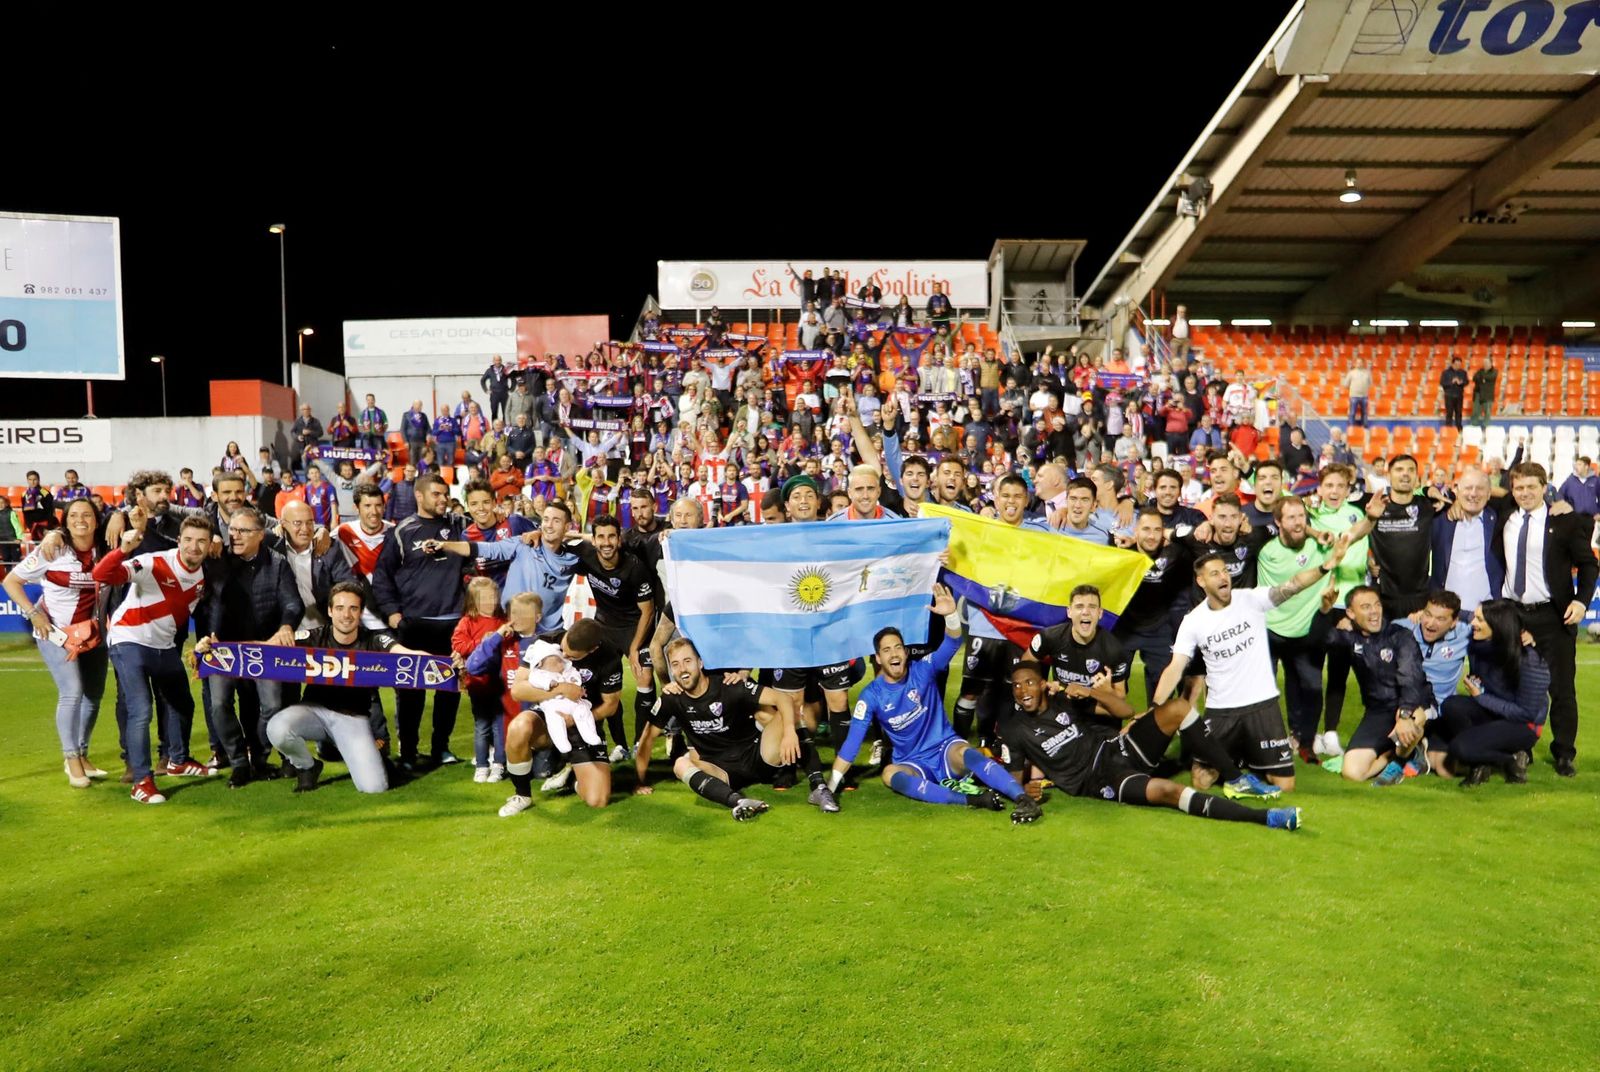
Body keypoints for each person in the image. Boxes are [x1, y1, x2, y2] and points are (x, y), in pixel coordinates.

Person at [1151, 536, 1352, 798]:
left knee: (1285, 786)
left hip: (1263, 706)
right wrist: (1155, 706)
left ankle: (1244, 759)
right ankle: (1239, 759)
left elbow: (1292, 585)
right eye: (1215, 573)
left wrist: (1326, 566)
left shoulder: (1251, 599)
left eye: (1224, 570)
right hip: (1222, 711)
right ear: (1201, 582)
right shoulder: (1193, 621)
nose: (1224, 576)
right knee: (1200, 780)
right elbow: (1176, 666)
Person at [826, 584, 1043, 824]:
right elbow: (852, 743)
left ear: (906, 653)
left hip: (944, 749)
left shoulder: (924, 669)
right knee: (889, 775)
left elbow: (951, 644)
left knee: (966, 753)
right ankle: (971, 800)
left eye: (898, 647)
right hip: (911, 761)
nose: (894, 654)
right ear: (878, 659)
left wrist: (951, 615)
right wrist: (831, 785)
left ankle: (1023, 799)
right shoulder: (871, 696)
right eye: (887, 650)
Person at [999, 661, 1301, 830]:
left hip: (1116, 749)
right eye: (1015, 685)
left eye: (1028, 682)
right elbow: (1012, 780)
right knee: (1167, 791)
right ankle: (1266, 818)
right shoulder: (1015, 730)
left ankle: (1235, 778)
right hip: (1100, 781)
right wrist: (1024, 791)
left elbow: (1125, 712)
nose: (1022, 690)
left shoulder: (1063, 699)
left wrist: (1090, 692)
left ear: (1042, 684)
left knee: (1178, 708)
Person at [640, 636, 839, 818]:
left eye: (687, 661)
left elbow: (782, 698)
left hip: (758, 758)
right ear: (672, 671)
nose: (682, 669)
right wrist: (639, 782)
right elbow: (647, 737)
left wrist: (788, 733)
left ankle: (819, 787)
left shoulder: (729, 685)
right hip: (721, 772)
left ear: (700, 663)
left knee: (789, 714)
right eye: (675, 664)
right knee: (681, 764)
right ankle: (738, 802)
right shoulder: (671, 698)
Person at [263, 581, 432, 794]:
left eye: (353, 608)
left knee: (374, 787)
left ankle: (336, 748)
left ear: (361, 612)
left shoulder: (374, 639)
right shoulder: (315, 636)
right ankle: (307, 767)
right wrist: (215, 648)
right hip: (313, 712)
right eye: (340, 608)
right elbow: (262, 650)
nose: (346, 615)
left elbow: (406, 654)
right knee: (277, 728)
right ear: (330, 611)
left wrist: (446, 665)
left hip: (352, 719)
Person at [94, 513, 217, 804]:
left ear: (210, 545)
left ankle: (178, 760)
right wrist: (123, 550)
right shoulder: (153, 562)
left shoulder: (203, 576)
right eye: (188, 540)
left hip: (163, 647)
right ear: (179, 541)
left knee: (183, 703)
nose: (194, 547)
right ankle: (141, 781)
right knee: (141, 709)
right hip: (130, 641)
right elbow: (102, 575)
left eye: (201, 541)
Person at [1491, 462, 1597, 777]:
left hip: (1554, 615)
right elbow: (1477, 492)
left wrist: (1581, 601)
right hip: (1514, 614)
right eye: (1519, 488)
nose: (1524, 493)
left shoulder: (1564, 521)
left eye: (1531, 487)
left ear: (1544, 487)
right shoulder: (1504, 516)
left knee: (1562, 688)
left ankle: (1564, 752)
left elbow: (1589, 565)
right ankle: (1520, 747)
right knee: (1514, 686)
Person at [2, 499, 110, 788]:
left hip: (94, 634)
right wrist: (33, 613)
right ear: (66, 521)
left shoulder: (105, 549)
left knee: (94, 696)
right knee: (72, 692)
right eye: (74, 515)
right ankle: (71, 758)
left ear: (97, 520)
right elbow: (11, 581)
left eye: (87, 514)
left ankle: (83, 754)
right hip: (56, 633)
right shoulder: (53, 548)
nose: (80, 520)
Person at [196, 506, 302, 788]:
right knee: (219, 705)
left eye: (242, 531)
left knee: (272, 705)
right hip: (222, 650)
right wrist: (207, 635)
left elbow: (292, 602)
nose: (235, 535)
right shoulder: (217, 560)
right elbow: (204, 603)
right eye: (232, 529)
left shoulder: (277, 562)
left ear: (260, 535)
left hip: (264, 647)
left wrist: (286, 626)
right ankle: (238, 762)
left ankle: (260, 758)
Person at [371, 473, 469, 769]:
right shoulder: (402, 531)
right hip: (415, 623)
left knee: (448, 690)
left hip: (451, 622)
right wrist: (392, 613)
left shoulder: (457, 525)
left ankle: (441, 748)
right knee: (411, 692)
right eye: (437, 494)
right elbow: (382, 577)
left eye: (446, 494)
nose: (443, 500)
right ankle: (409, 753)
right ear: (420, 496)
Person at [499, 618, 623, 813]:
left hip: (584, 720)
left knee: (597, 799)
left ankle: (572, 777)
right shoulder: (545, 641)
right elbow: (518, 690)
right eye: (563, 649)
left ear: (592, 650)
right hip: (547, 714)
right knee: (519, 727)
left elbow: (610, 706)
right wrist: (562, 689)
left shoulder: (609, 656)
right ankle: (522, 795)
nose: (563, 655)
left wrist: (574, 719)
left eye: (571, 656)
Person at [1423, 599, 1550, 786]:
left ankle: (1508, 760)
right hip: (1495, 712)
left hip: (1524, 725)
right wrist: (1419, 613)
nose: (1473, 623)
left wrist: (1481, 697)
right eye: (1476, 618)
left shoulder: (1529, 661)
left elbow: (1526, 713)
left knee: (1460, 748)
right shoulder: (1482, 642)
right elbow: (1459, 613)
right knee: (1452, 706)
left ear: (1498, 625)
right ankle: (1481, 762)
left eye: (1480, 620)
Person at [1323, 586, 1435, 785]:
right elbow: (1316, 639)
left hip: (1412, 704)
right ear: (1350, 613)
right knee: (1352, 773)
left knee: (1412, 724)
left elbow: (1411, 679)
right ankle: (1396, 755)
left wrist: (1404, 715)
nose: (1374, 611)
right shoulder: (1348, 638)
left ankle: (1401, 760)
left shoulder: (1400, 635)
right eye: (1365, 607)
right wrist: (1324, 613)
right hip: (1377, 712)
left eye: (1376, 605)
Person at [1255, 496, 1332, 764]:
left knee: (1311, 688)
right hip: (1271, 629)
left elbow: (1347, 539)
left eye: (1302, 516)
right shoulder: (1267, 553)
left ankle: (1305, 742)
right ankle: (1270, 740)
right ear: (1278, 522)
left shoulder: (1319, 546)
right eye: (1291, 517)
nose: (1299, 522)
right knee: (1264, 688)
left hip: (1305, 629)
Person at [1029, 585, 1131, 738]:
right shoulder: (1051, 637)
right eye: (1079, 606)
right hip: (1064, 711)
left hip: (1100, 720)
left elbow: (1122, 704)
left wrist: (1105, 692)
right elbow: (1025, 665)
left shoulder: (1114, 650)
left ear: (1100, 613)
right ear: (1069, 612)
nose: (1085, 611)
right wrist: (1042, 685)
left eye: (1092, 607)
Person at [1113, 509, 1192, 706]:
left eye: (1157, 530)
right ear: (1135, 531)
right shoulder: (1121, 553)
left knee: (1161, 691)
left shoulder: (1172, 552)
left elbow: (1195, 538)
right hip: (1124, 629)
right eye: (1146, 529)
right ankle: (1110, 734)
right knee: (1115, 687)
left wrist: (1168, 534)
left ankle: (1154, 733)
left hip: (1159, 630)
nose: (1151, 535)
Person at [451, 575, 508, 783]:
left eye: (493, 597)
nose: (490, 602)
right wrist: (481, 642)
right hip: (477, 683)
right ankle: (482, 765)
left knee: (499, 725)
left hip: (501, 683)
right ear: (474, 600)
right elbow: (458, 645)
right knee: (482, 726)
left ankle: (499, 764)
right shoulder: (467, 622)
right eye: (484, 598)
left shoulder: (503, 620)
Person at [1430, 467, 1501, 618]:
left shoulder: (1499, 520)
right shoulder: (1440, 519)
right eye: (1468, 488)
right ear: (1457, 491)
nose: (1473, 494)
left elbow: (1521, 496)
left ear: (1489, 494)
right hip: (1446, 614)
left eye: (1480, 489)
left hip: (1486, 614)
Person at [290, 404, 323, 473]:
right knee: (305, 466)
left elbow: (320, 433)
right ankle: (307, 481)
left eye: (308, 409)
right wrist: (298, 437)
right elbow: (292, 432)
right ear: (301, 411)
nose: (306, 411)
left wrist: (310, 432)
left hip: (313, 447)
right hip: (302, 447)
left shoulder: (315, 421)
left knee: (315, 465)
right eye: (304, 409)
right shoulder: (297, 421)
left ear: (310, 410)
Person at [1440, 356, 1468, 430]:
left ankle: (1459, 428)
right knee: (1449, 413)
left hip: (1459, 395)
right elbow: (1442, 383)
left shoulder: (1463, 372)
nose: (1458, 366)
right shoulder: (1446, 372)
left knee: (1459, 413)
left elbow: (1466, 382)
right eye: (1456, 364)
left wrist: (1461, 382)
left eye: (1459, 365)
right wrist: (1451, 382)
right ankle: (1448, 428)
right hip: (1449, 396)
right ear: (1452, 364)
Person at [1343, 357, 1373, 426]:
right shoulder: (1351, 373)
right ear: (1355, 364)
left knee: (1365, 412)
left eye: (1360, 362)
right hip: (1354, 396)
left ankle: (1364, 425)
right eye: (1358, 362)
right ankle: (1351, 425)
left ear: (1363, 363)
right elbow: (1346, 384)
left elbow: (1370, 384)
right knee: (1352, 412)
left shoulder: (1367, 373)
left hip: (1364, 396)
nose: (1359, 364)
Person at [482, 354, 512, 422]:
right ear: (493, 361)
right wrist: (486, 390)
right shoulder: (489, 370)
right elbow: (482, 380)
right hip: (494, 394)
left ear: (501, 361)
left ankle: (505, 428)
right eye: (496, 360)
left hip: (504, 393)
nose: (498, 362)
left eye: (499, 360)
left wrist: (511, 389)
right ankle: (494, 429)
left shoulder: (506, 369)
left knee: (505, 412)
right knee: (494, 412)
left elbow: (513, 379)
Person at [1470, 358, 1497, 429]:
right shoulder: (1480, 371)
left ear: (1491, 364)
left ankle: (1485, 425)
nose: (1485, 365)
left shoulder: (1494, 372)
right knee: (1476, 411)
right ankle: (1474, 424)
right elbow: (1474, 378)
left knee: (1487, 412)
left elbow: (1490, 378)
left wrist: (1482, 379)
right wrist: (1483, 380)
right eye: (1484, 363)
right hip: (1478, 394)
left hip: (1488, 395)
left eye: (1487, 363)